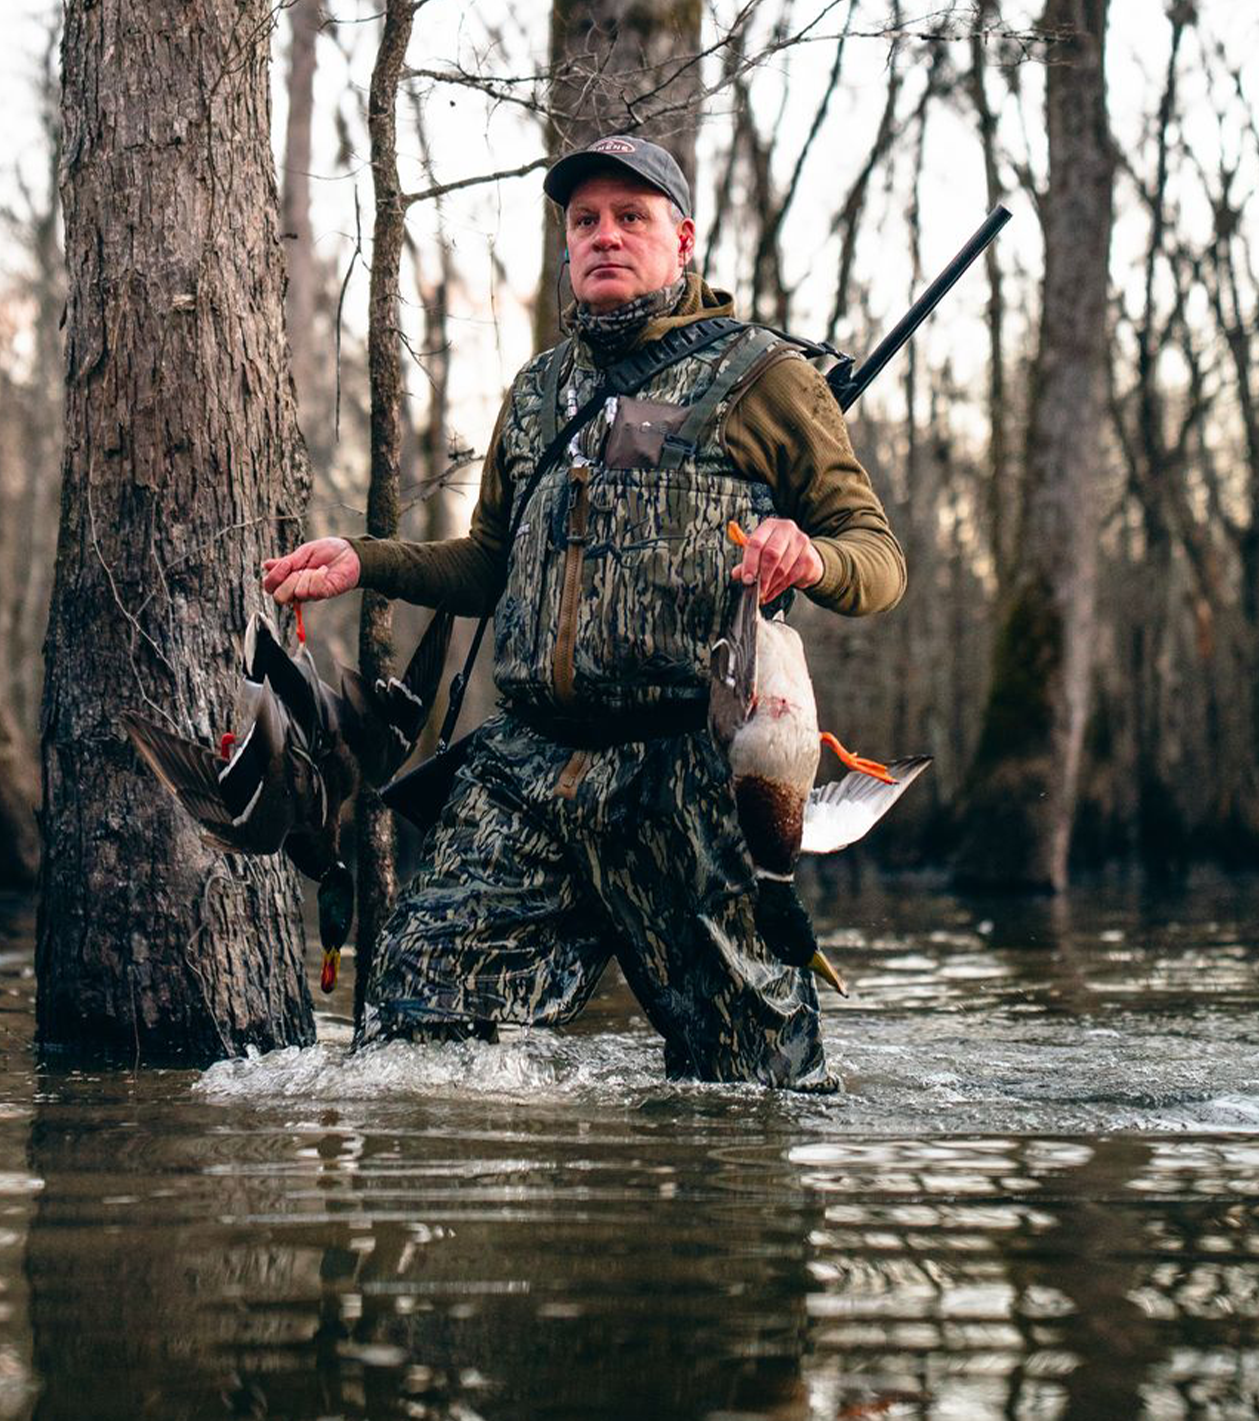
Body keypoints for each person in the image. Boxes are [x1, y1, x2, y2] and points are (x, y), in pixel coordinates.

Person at [261, 134, 906, 1086]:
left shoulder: (767, 380)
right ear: (567, 245)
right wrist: (364, 560)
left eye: (631, 217)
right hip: (530, 764)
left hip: (687, 769)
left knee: (756, 1086)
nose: (605, 236)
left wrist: (809, 555)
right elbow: (489, 563)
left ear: (682, 240)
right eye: (585, 220)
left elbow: (879, 560)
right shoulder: (537, 394)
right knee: (412, 1016)